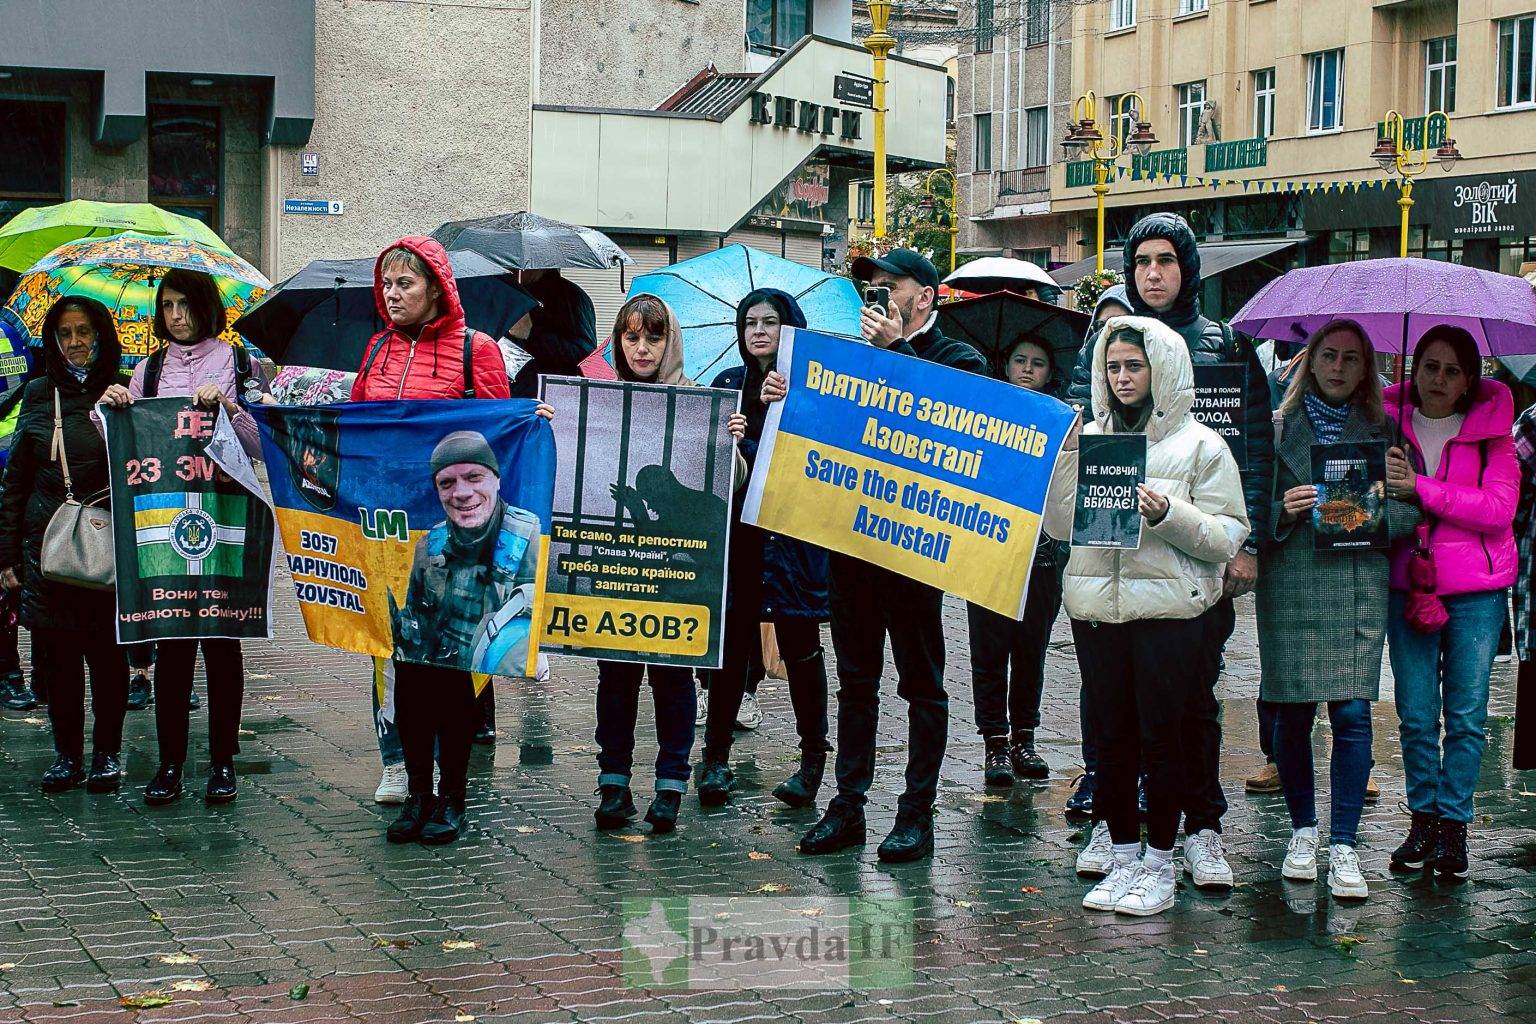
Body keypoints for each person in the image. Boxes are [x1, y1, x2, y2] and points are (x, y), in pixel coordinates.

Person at [1068, 213, 1274, 891]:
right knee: (1115, 712)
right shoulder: (1104, 346)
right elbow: (1075, 455)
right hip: (1112, 578)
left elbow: (1251, 445)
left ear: (1188, 267)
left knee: (1191, 704)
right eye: (1141, 262)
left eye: (1166, 260)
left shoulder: (1224, 344)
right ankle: (1115, 822)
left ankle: (1201, 826)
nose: (1152, 273)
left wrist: (1250, 549)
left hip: (1190, 570)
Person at [763, 248, 986, 863]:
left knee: (922, 685)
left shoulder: (956, 355)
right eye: (874, 286)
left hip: (916, 556)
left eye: (893, 285)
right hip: (854, 548)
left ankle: (917, 813)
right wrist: (785, 390)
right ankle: (848, 807)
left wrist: (898, 352)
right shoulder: (852, 357)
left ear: (926, 295)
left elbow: (954, 420)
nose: (881, 294)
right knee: (856, 683)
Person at [1045, 317, 1248, 917]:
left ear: (1164, 371)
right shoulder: (1094, 437)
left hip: (1167, 615)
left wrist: (1168, 514)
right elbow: (1060, 526)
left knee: (1165, 738)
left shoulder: (1203, 447)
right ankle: (1126, 854)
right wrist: (1066, 459)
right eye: (1114, 367)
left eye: (1135, 366)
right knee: (1111, 737)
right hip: (1097, 612)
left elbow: (1226, 536)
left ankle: (1162, 859)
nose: (1123, 377)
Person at [353, 236, 511, 845]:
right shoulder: (376, 351)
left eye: (406, 283)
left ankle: (452, 798)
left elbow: (500, 436)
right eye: (387, 284)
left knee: (452, 673)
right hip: (393, 537)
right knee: (408, 671)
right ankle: (417, 794)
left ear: (436, 288)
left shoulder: (479, 350)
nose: (393, 295)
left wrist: (531, 421)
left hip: (459, 539)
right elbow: (361, 430)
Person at [1256, 321, 1419, 902]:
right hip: (1292, 586)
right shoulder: (1274, 430)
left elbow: (1410, 517)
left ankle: (1345, 844)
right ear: (1309, 361)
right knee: (1293, 717)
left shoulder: (1387, 431)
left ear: (1367, 369)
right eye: (1329, 355)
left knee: (1351, 714)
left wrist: (1381, 508)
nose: (1339, 367)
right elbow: (1248, 513)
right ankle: (1303, 831)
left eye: (1353, 359)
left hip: (1355, 587)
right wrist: (1283, 509)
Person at [99, 269, 269, 807]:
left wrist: (230, 407)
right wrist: (111, 407)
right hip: (164, 523)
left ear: (206, 307)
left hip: (225, 519)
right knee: (171, 649)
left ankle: (222, 762)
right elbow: (120, 443)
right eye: (167, 306)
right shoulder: (148, 368)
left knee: (222, 647)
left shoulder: (241, 364)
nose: (175, 316)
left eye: (185, 305)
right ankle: (169, 762)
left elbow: (262, 446)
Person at [1383, 326, 1517, 882]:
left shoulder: (1493, 436)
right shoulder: (1387, 425)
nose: (1438, 379)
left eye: (1452, 370)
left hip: (1476, 594)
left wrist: (1421, 488)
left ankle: (1454, 827)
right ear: (1414, 369)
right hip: (1407, 584)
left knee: (1465, 717)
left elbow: (1498, 508)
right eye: (1429, 366)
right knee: (1416, 714)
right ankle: (1424, 820)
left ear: (1470, 379)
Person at [593, 293, 728, 834]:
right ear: (617, 342)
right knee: (616, 678)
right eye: (631, 337)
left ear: (671, 341)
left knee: (673, 682)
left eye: (654, 337)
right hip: (622, 578)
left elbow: (732, 488)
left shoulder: (699, 403)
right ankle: (613, 784)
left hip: (681, 582)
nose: (642, 348)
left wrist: (732, 445)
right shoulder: (599, 402)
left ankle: (671, 785)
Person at [698, 289, 832, 809]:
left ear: (790, 328)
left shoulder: (814, 386)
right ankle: (715, 759)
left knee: (802, 651)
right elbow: (709, 459)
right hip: (741, 540)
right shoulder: (729, 385)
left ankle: (812, 763)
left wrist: (786, 406)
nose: (758, 331)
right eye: (749, 321)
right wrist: (734, 432)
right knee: (730, 650)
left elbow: (816, 456)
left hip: (792, 540)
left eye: (770, 322)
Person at [0, 297, 129, 793]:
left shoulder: (122, 392)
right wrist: (7, 557)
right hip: (48, 551)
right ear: (53, 341)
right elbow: (16, 481)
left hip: (105, 549)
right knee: (57, 659)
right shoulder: (37, 393)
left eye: (85, 332)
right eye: (66, 334)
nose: (76, 343)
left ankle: (107, 754)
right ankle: (67, 755)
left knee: (107, 657)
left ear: (101, 336)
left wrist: (121, 414)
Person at [966, 335, 1064, 787]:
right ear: (1005, 366)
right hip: (988, 550)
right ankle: (995, 741)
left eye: (1038, 363)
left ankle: (1025, 735)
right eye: (1020, 360)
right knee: (989, 651)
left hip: (1042, 556)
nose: (1027, 369)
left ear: (1050, 371)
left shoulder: (1062, 419)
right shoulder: (984, 413)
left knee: (1030, 650)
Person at [1064, 284, 1132, 820]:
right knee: (1099, 685)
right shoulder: (1080, 421)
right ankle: (1099, 776)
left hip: (1148, 581)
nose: (1121, 375)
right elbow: (1062, 517)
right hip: (1093, 572)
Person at [393, 431, 541, 677]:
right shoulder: (429, 545)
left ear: (497, 479)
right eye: (446, 483)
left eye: (474, 477)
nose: (462, 492)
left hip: (493, 679)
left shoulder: (530, 537)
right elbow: (414, 621)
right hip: (436, 673)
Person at [505, 269, 598, 398]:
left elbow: (585, 355)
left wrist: (531, 333)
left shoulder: (569, 296)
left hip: (549, 399)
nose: (510, 270)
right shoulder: (506, 291)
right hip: (509, 395)